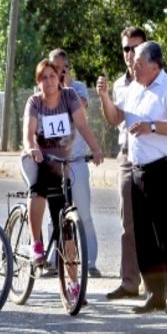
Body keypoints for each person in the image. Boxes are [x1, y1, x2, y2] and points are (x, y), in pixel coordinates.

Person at [98, 41, 167, 314]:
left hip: (163, 169)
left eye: (139, 63)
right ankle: (154, 293)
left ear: (155, 65)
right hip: (137, 169)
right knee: (143, 235)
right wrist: (104, 97)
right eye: (133, 63)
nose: (133, 67)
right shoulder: (131, 89)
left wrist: (152, 126)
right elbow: (116, 118)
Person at [20, 59, 103, 296]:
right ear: (38, 82)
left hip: (62, 163)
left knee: (65, 223)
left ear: (60, 78)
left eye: (52, 76)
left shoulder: (69, 97)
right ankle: (36, 243)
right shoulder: (35, 102)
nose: (48, 81)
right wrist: (33, 148)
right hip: (37, 158)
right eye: (43, 78)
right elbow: (28, 134)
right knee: (38, 189)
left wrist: (96, 148)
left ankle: (73, 285)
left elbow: (82, 125)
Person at [96, 26, 146, 300]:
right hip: (127, 155)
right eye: (126, 48)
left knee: (152, 222)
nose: (129, 53)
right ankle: (129, 282)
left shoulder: (154, 79)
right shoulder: (120, 84)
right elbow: (115, 119)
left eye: (135, 48)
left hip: (152, 157)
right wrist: (104, 97)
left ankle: (156, 283)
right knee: (128, 223)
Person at [49, 49, 102, 278]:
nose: (58, 74)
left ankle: (89, 261)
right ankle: (54, 259)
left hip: (76, 160)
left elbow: (79, 108)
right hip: (53, 161)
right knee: (55, 214)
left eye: (63, 69)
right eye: (55, 69)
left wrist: (67, 84)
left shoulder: (77, 88)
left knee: (83, 212)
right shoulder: (45, 90)